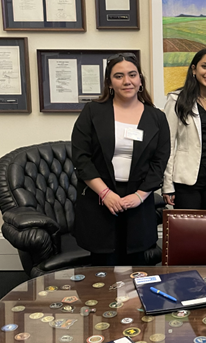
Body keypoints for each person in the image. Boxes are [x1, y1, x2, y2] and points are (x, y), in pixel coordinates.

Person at [71, 53, 170, 266]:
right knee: (102, 274)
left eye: (132, 75)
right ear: (109, 83)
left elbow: (159, 162)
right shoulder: (92, 112)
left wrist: (140, 196)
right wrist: (105, 193)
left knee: (138, 271)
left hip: (138, 203)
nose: (127, 81)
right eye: (119, 76)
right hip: (100, 201)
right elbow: (81, 158)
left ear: (140, 80)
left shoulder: (156, 117)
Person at [162, 49, 206, 210]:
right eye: (205, 66)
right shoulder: (176, 100)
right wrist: (167, 184)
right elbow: (168, 144)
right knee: (189, 233)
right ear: (194, 69)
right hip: (185, 181)